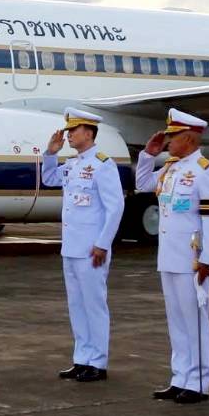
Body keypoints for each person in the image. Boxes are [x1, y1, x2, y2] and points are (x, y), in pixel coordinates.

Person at [135, 109, 209, 403]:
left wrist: (208, 260)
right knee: (177, 321)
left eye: (172, 136)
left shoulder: (205, 171)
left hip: (192, 259)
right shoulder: (171, 168)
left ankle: (198, 382)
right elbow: (143, 184)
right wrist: (148, 156)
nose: (168, 141)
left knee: (195, 321)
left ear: (188, 138)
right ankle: (180, 377)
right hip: (169, 256)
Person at [43, 108, 125, 383]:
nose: (68, 135)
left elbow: (115, 207)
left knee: (94, 305)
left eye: (73, 130)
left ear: (88, 133)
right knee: (77, 306)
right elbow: (49, 179)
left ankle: (98, 362)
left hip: (91, 249)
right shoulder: (73, 164)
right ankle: (82, 358)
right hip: (71, 247)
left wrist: (103, 244)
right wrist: (50, 153)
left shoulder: (103, 164)